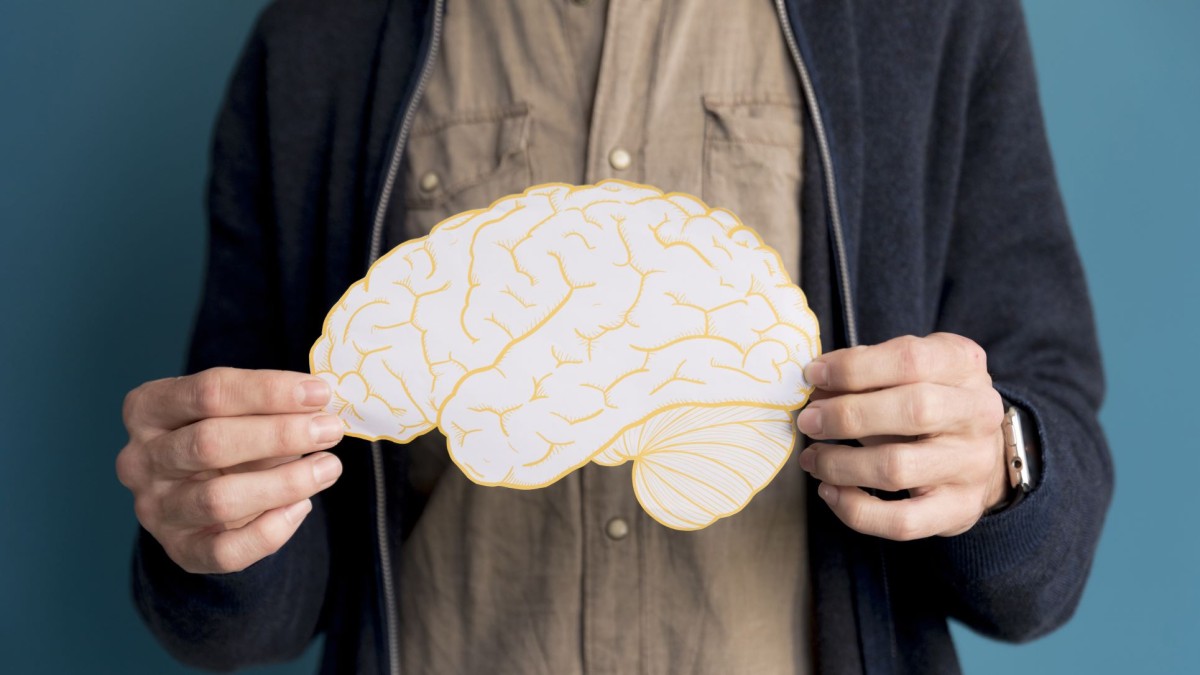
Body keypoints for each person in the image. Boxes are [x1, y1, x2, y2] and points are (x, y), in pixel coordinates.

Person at [115, 1, 1114, 673]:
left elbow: (1041, 563)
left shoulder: (922, 19)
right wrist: (213, 531)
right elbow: (259, 609)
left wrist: (1000, 468)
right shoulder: (325, 36)